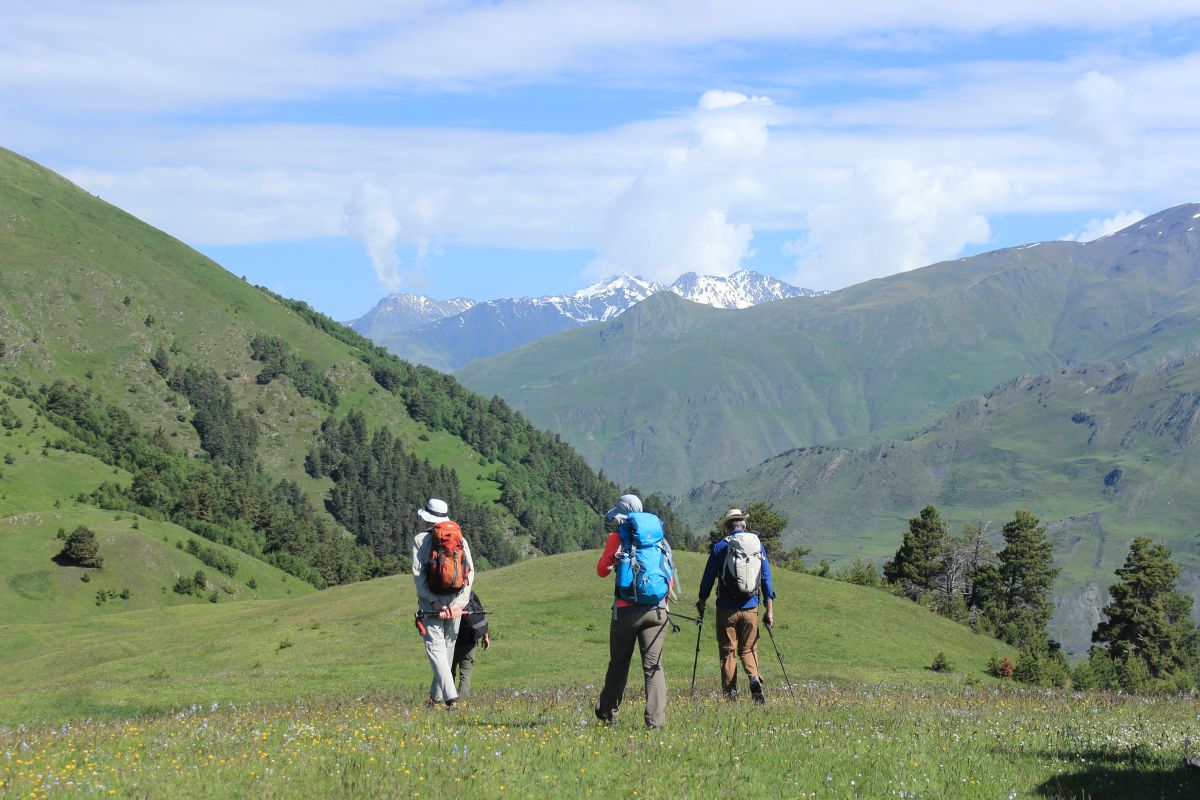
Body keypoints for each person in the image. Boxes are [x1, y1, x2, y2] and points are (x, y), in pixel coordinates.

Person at [594, 494, 677, 729]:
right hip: (658, 610)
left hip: (626, 611)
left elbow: (601, 570)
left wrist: (615, 565)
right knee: (654, 666)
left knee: (619, 664)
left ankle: (607, 715)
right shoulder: (658, 539)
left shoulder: (616, 538)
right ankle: (656, 721)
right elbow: (668, 573)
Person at [696, 508, 776, 703]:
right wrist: (769, 609)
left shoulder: (719, 547)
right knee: (748, 649)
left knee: (728, 652)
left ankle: (730, 697)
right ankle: (754, 678)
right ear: (744, 525)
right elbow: (765, 577)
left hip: (726, 608)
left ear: (727, 528)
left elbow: (708, 579)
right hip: (751, 607)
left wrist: (702, 601)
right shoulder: (757, 546)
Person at [412, 497, 474, 709]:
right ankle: (435, 698)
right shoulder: (460, 539)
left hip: (432, 605)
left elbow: (419, 577)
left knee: (435, 650)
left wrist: (435, 603)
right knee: (446, 650)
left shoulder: (421, 539)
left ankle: (451, 698)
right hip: (455, 602)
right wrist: (459, 604)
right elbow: (469, 574)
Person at [450, 591, 490, 701]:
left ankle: (449, 700)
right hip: (469, 643)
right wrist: (485, 636)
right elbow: (480, 615)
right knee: (465, 676)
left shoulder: (446, 597)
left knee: (448, 673)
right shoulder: (471, 595)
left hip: (450, 644)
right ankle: (460, 703)